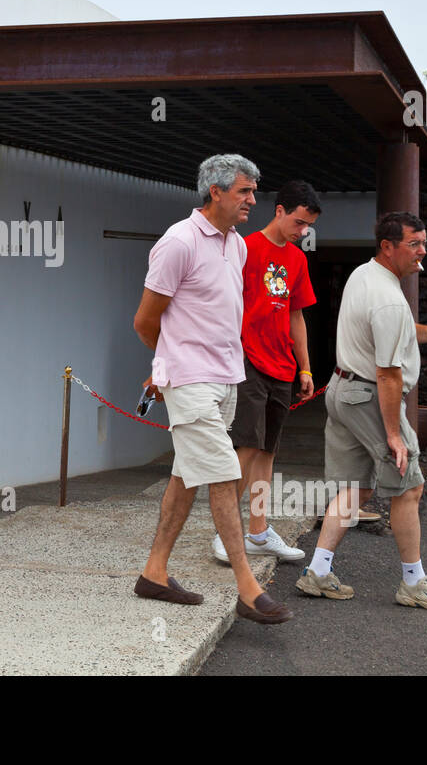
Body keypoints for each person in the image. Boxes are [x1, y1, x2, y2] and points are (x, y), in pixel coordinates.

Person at [132, 154, 293, 624]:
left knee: (187, 475)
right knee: (224, 473)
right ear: (215, 192)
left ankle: (154, 573)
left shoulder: (236, 245)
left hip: (227, 378)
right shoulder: (178, 242)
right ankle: (247, 587)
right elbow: (145, 321)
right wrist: (166, 368)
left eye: (253, 190)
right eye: (244, 191)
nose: (252, 199)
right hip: (190, 380)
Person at [296, 211, 427, 609]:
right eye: (414, 244)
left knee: (357, 487)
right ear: (388, 247)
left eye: (425, 242)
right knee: (410, 487)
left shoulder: (365, 274)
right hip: (371, 396)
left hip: (341, 389)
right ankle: (413, 582)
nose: (422, 251)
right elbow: (389, 376)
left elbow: (393, 331)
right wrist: (393, 434)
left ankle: (317, 572)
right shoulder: (388, 298)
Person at [211, 180, 319, 566]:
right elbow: (220, 300)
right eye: (299, 221)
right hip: (246, 359)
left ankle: (258, 531)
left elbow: (296, 315)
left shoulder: (297, 259)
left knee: (268, 450)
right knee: (246, 446)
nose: (302, 231)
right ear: (279, 210)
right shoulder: (244, 247)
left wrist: (305, 367)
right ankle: (227, 532)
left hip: (282, 364)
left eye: (308, 225)